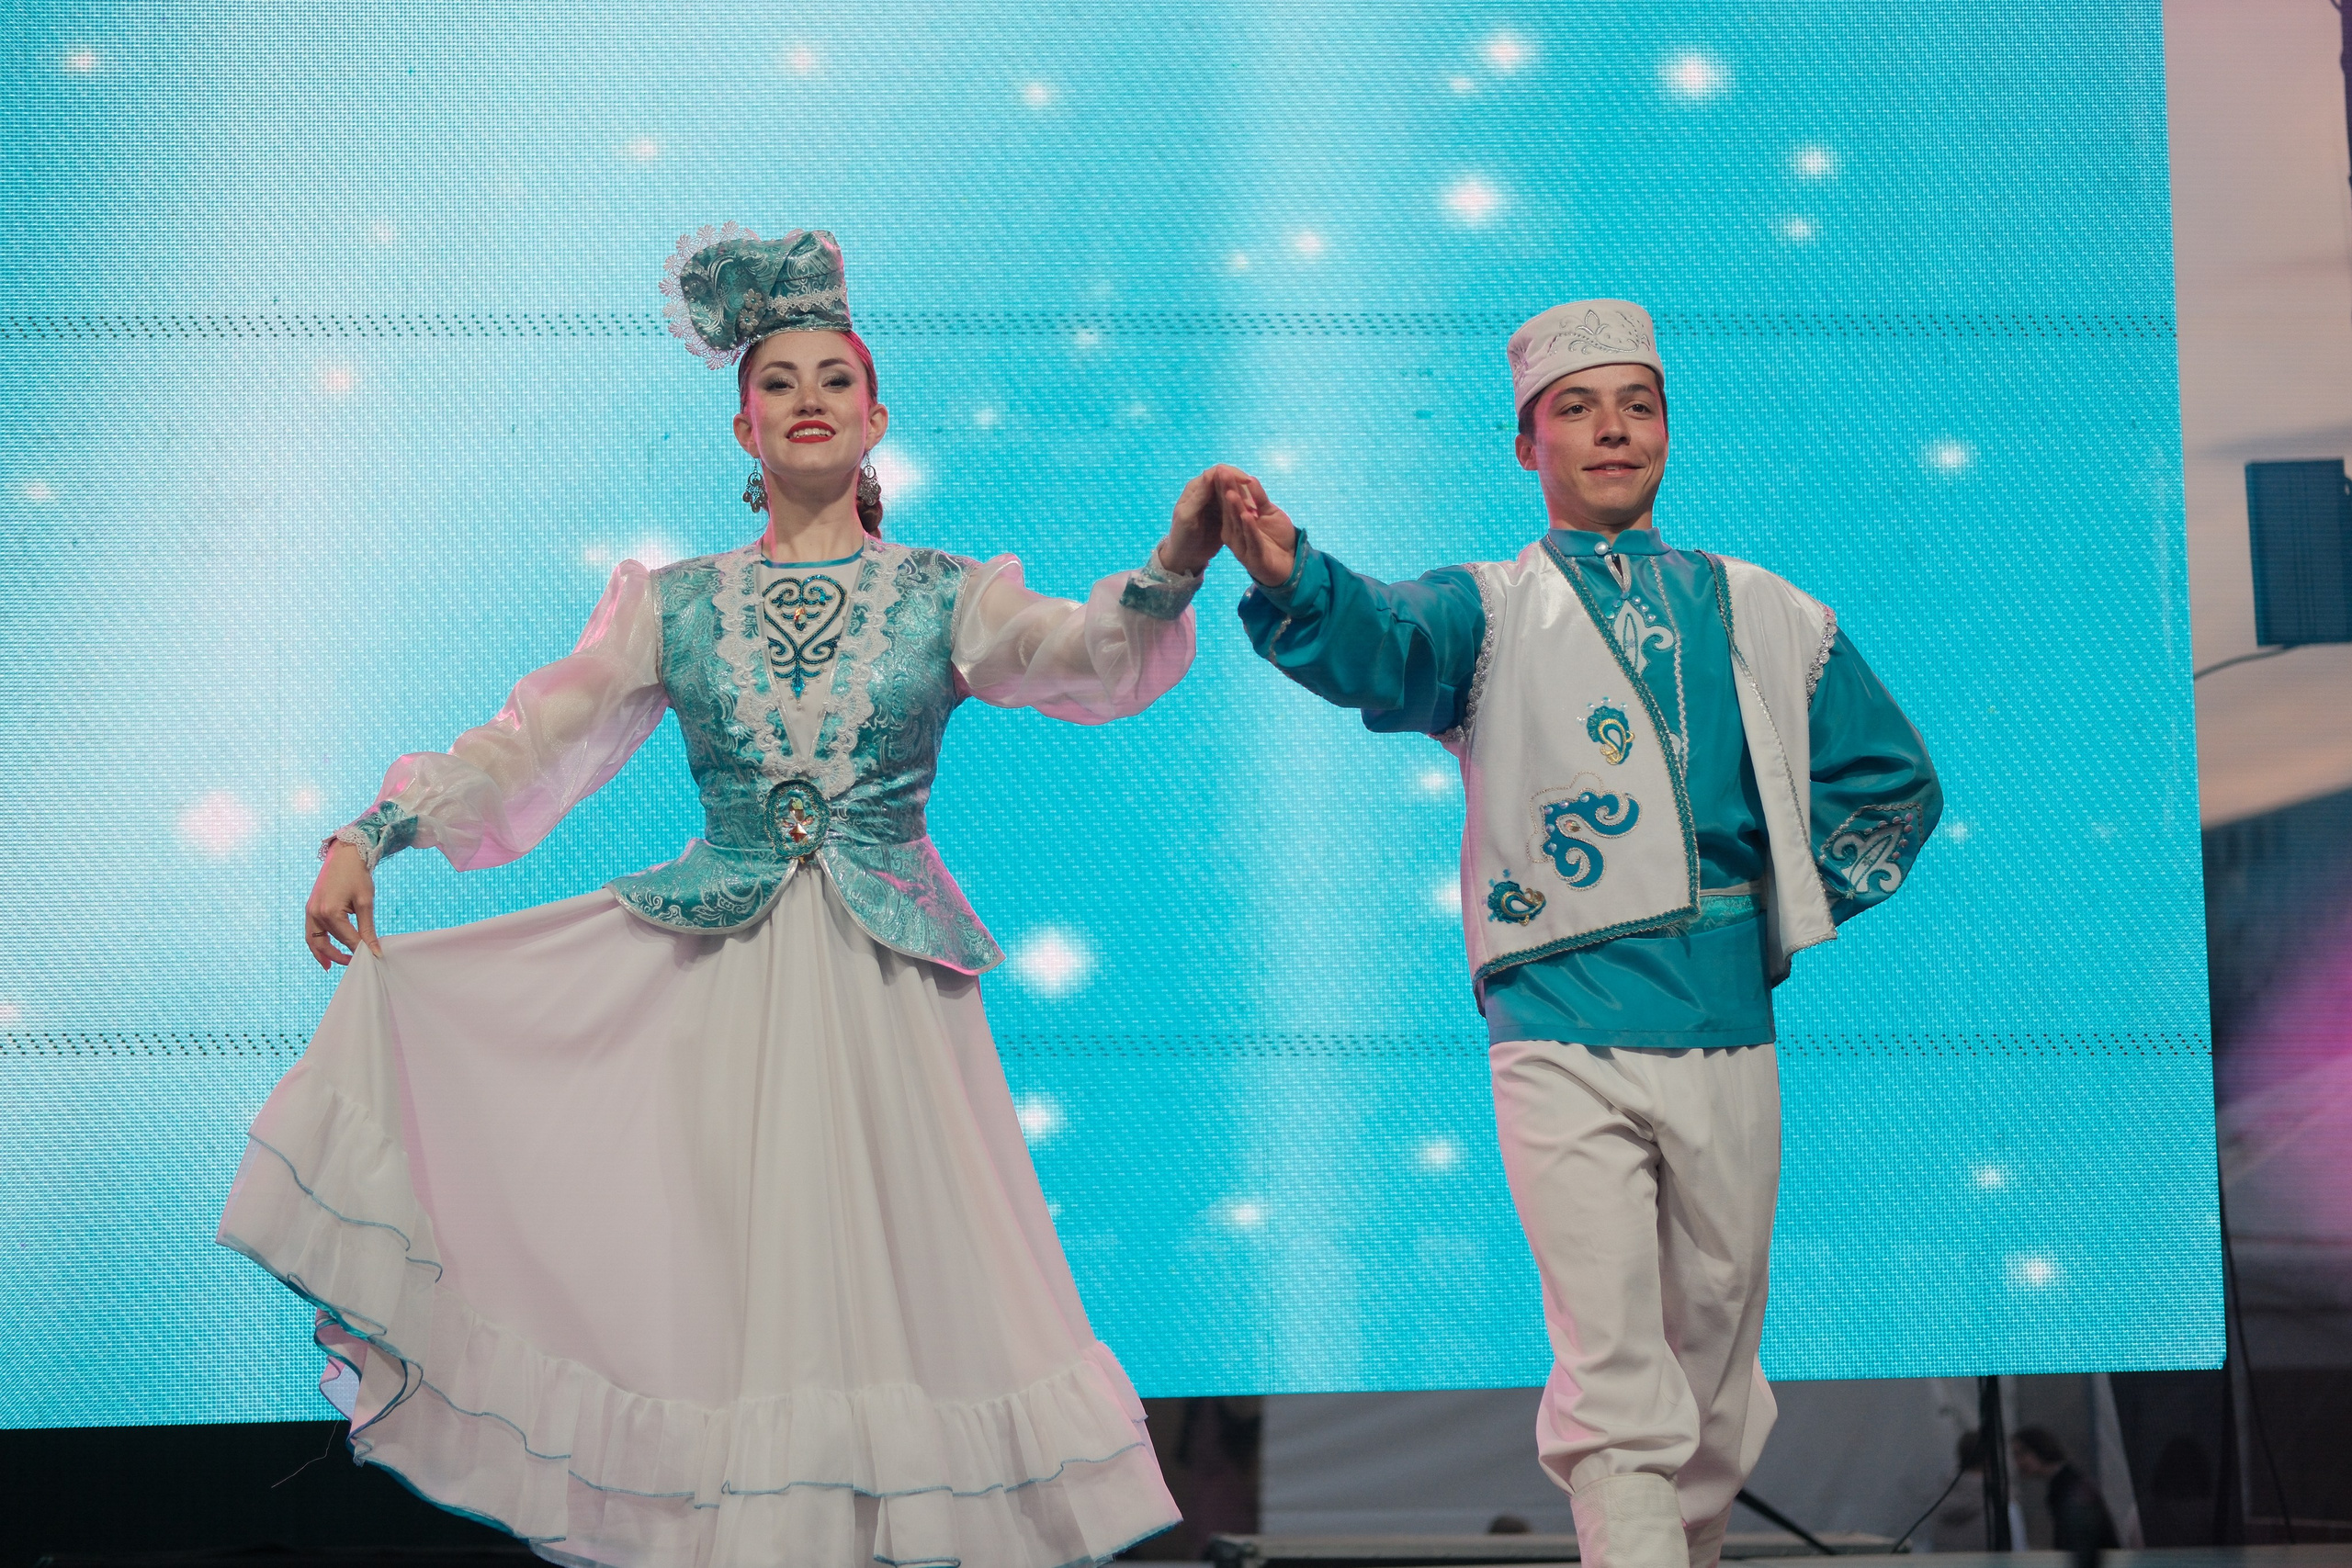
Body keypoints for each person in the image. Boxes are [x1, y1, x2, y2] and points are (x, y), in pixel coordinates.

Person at [218, 226, 1222, 1568]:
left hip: (884, 992)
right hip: (721, 996)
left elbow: (1084, 654)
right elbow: (532, 743)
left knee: (906, 1307)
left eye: (834, 379)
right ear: (742, 422)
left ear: (877, 417)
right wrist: (372, 831)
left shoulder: (943, 595)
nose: (808, 399)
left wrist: (1173, 563)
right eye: (778, 381)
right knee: (730, 1308)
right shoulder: (677, 605)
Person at [1216, 299, 1941, 1568]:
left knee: (1713, 1359)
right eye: (1577, 408)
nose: (1612, 429)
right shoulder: (1488, 611)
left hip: (1722, 1015)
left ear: (1668, 427)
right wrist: (1294, 576)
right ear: (1525, 444)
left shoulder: (1761, 608)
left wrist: (1784, 897)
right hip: (1556, 1015)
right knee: (1613, 1362)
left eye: (1637, 404)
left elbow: (1891, 781)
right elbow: (1380, 639)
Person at [2013, 1427, 2120, 1553]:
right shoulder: (2067, 1482)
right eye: (2016, 1455)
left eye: (2023, 1453)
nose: (2019, 1462)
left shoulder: (2067, 1487)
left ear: (2039, 1448)